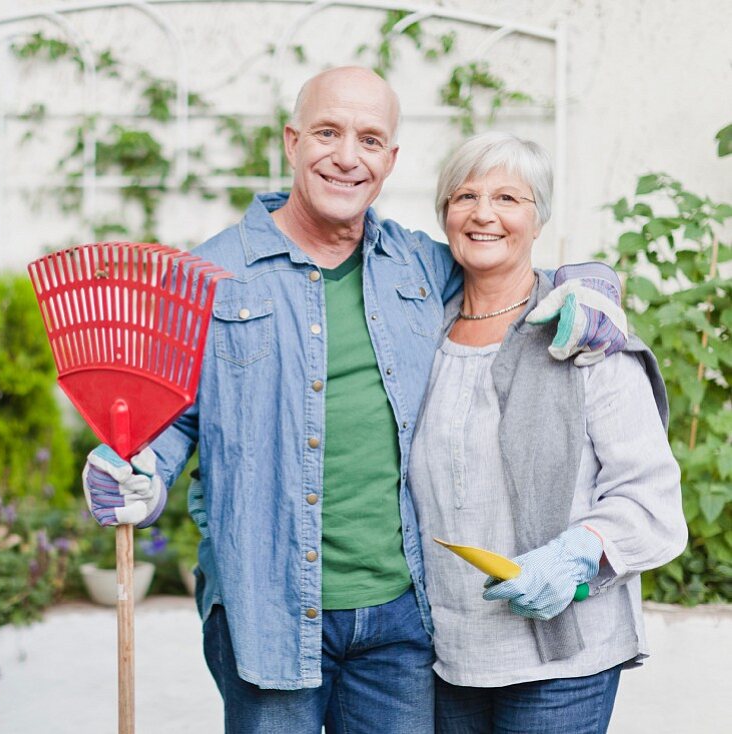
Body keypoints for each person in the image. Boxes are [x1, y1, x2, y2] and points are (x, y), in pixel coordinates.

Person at [81, 67, 627, 733]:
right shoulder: (208, 276)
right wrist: (139, 471)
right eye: (327, 132)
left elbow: (504, 260)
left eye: (370, 140)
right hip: (266, 609)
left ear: (390, 160)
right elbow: (170, 416)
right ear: (291, 141)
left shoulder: (421, 268)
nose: (347, 156)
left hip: (400, 623)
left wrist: (590, 281)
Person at [408, 131, 687, 733]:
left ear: (539, 219)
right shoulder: (416, 335)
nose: (484, 214)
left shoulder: (582, 336)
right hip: (448, 657)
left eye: (509, 198)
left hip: (564, 659)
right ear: (445, 215)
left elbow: (653, 501)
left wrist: (576, 553)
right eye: (465, 197)